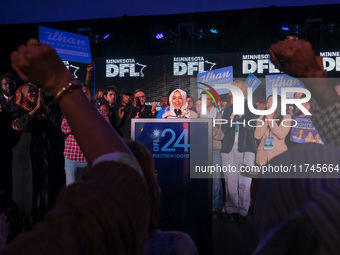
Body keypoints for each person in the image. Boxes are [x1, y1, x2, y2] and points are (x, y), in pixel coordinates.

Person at [6, 38, 149, 254]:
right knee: (57, 195)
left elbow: (57, 124)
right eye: (31, 93)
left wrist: (47, 103)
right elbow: (126, 177)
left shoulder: (46, 109)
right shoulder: (14, 113)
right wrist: (60, 81)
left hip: (45, 167)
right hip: (29, 171)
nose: (35, 95)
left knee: (44, 202)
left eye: (37, 92)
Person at [220, 80, 257, 222]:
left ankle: (243, 210)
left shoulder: (252, 107)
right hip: (229, 148)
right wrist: (231, 116)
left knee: (246, 180)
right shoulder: (228, 110)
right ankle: (231, 209)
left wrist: (241, 116)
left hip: (247, 148)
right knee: (230, 180)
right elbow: (224, 128)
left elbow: (251, 126)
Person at [61, 86, 109, 186]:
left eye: (86, 91)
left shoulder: (100, 113)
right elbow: (65, 128)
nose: (83, 93)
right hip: (73, 158)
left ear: (90, 95)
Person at [254, 95, 291, 165]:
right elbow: (257, 136)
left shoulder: (286, 117)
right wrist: (265, 120)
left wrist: (271, 120)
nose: (269, 104)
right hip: (263, 156)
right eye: (268, 102)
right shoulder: (261, 117)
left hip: (279, 156)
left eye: (272, 102)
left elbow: (281, 135)